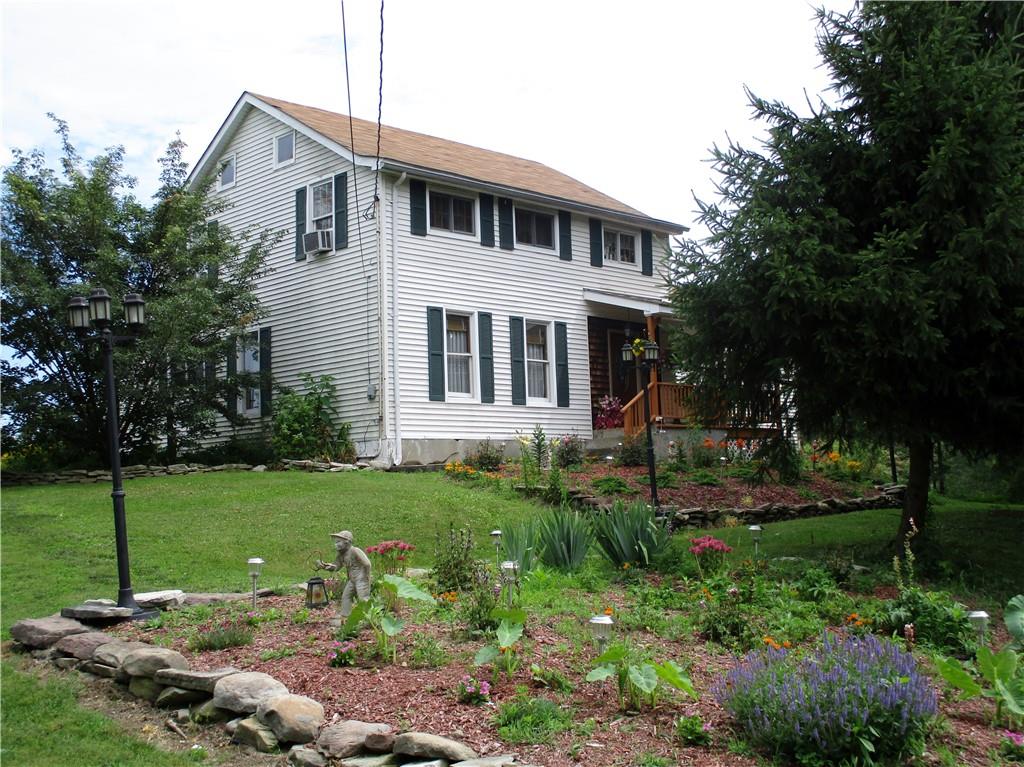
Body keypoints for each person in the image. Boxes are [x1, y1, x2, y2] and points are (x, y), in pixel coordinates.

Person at [316, 530, 372, 618]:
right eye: (335, 542)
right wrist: (324, 565)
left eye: (338, 542)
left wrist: (366, 576)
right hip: (352, 580)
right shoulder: (341, 555)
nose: (336, 544)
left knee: (363, 598)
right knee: (346, 596)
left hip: (361, 578)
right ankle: (345, 615)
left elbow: (367, 564)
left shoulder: (355, 551)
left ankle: (369, 618)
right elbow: (336, 567)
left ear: (347, 542)